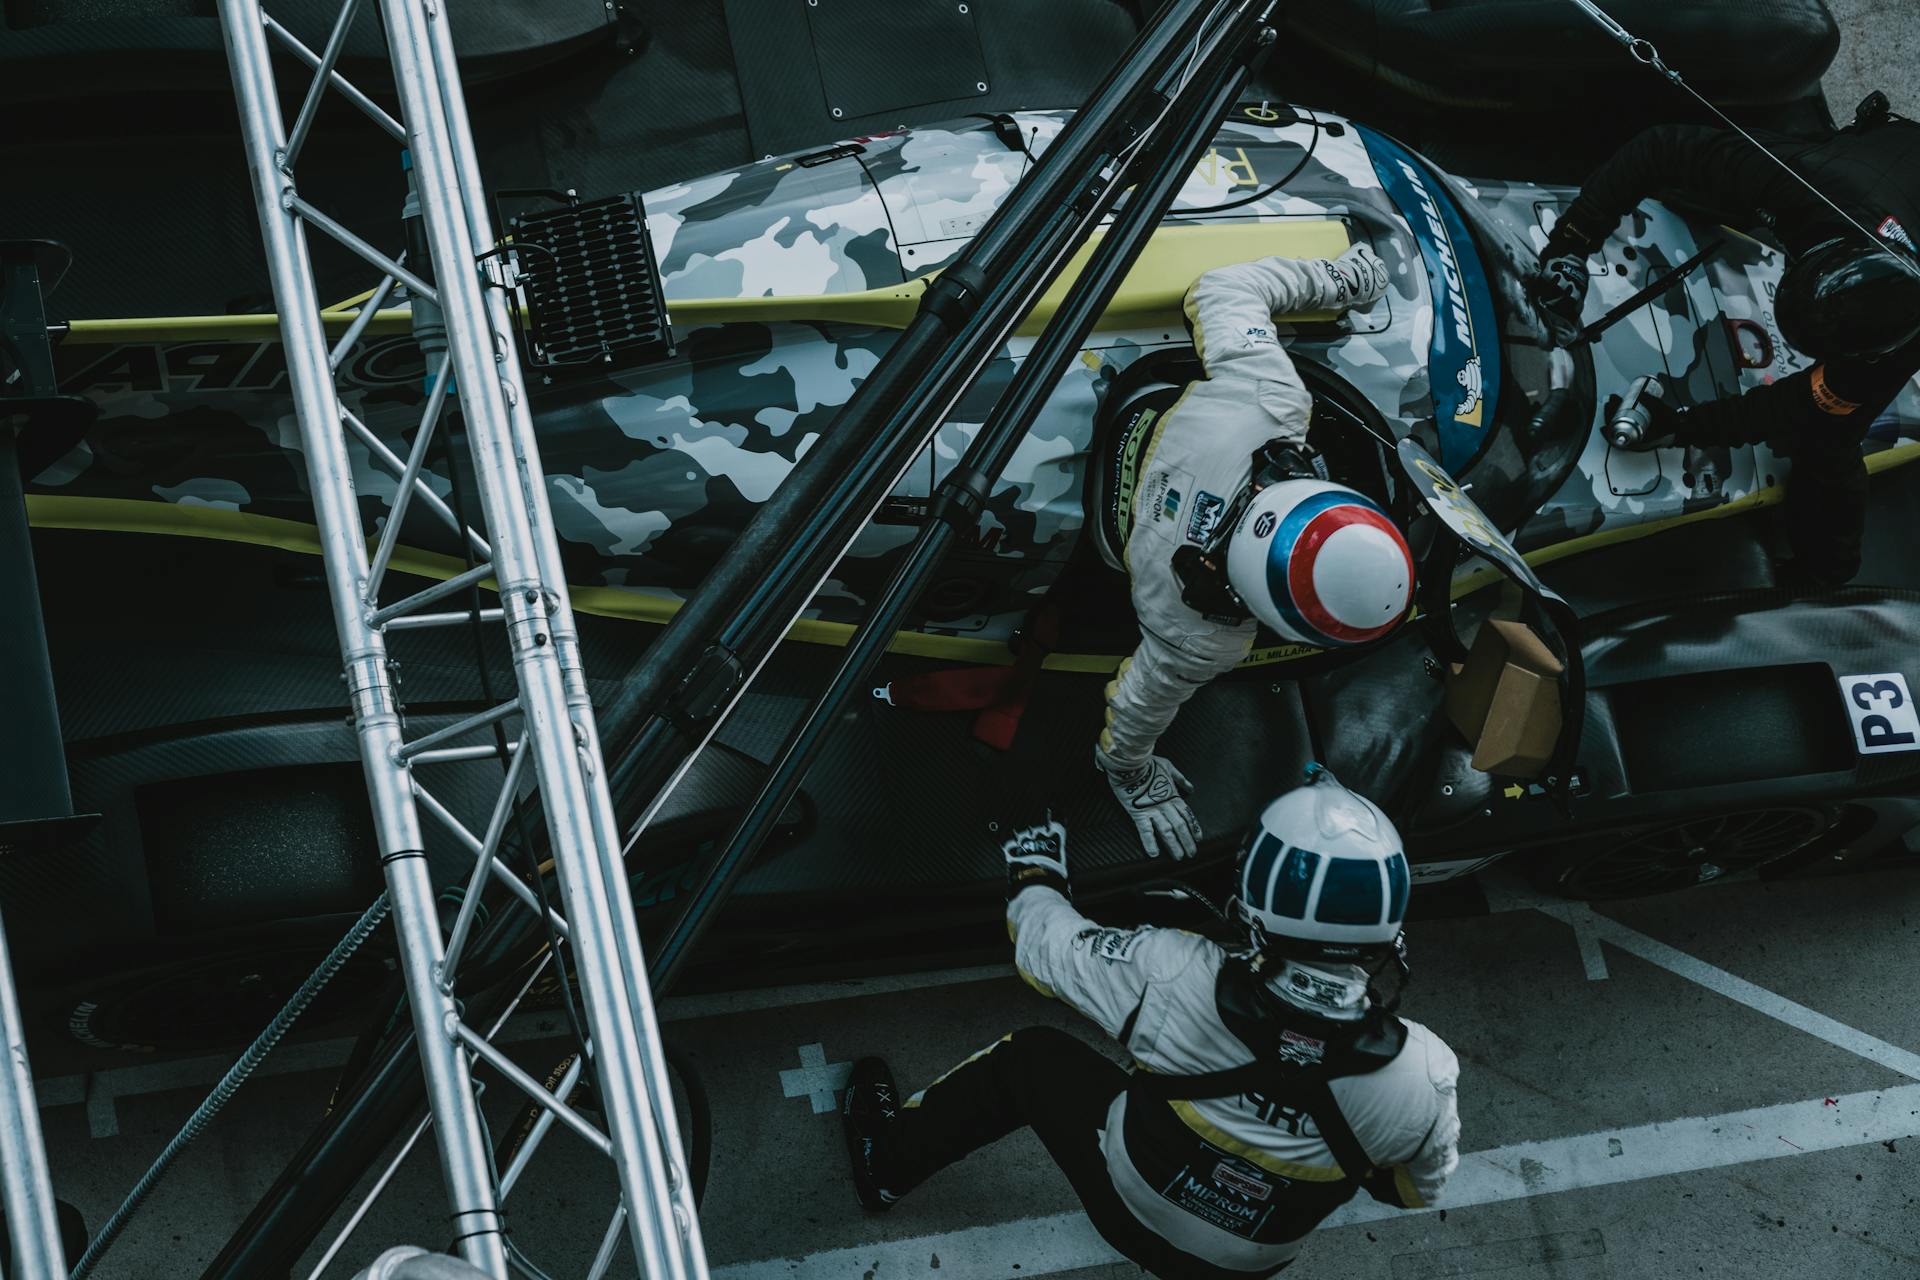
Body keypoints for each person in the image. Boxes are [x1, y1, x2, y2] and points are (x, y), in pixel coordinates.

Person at [841, 766, 1460, 1279]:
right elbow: (1412, 1191)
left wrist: (1036, 872)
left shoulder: (1172, 972)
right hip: (1246, 1265)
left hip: (1130, 1202)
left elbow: (1042, 950)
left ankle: (886, 1168)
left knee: (1030, 1059)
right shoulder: (1425, 1075)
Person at [1096, 247, 1417, 859]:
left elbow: (1218, 285)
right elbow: (1133, 715)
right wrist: (1131, 776)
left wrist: (1341, 279)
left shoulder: (1268, 397)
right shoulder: (1198, 636)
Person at [1534, 98, 1920, 588]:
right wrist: (1570, 246)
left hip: (1888, 209)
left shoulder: (1899, 338)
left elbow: (1797, 407)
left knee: (1830, 437)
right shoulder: (1801, 184)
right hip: (1875, 170)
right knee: (1687, 180)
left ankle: (1826, 578)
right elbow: (1661, 146)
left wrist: (1683, 428)